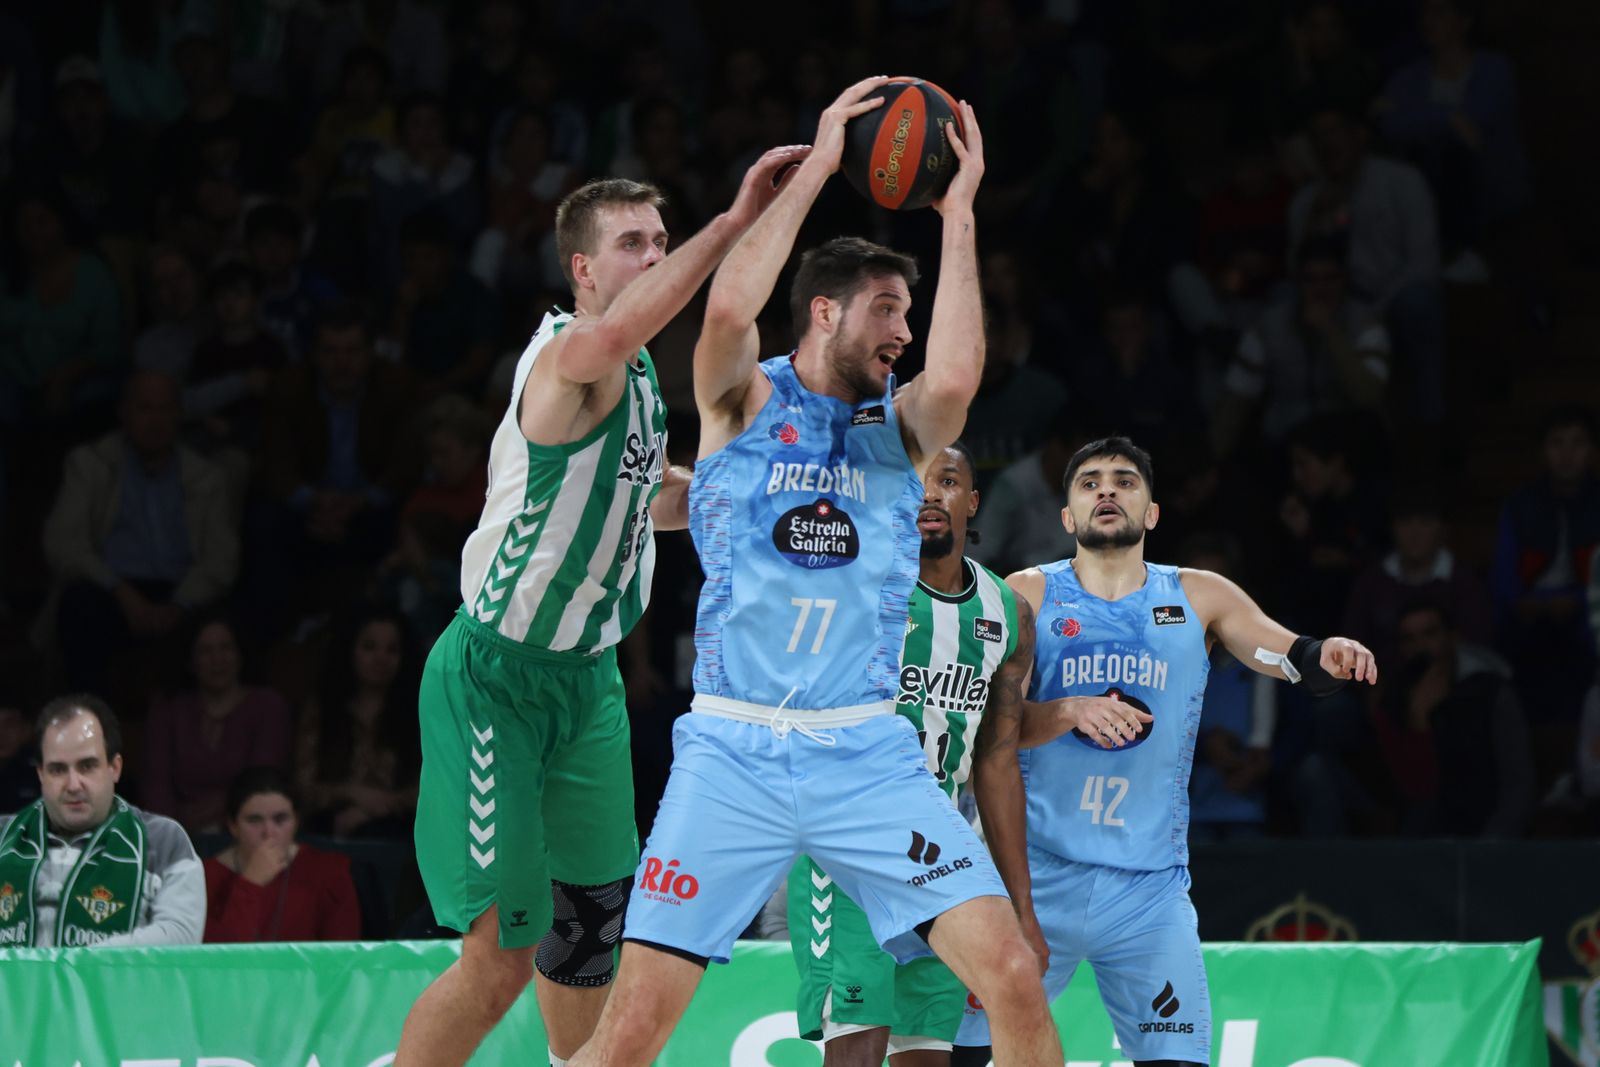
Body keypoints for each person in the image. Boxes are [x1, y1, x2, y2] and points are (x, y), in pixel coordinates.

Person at [573, 82, 1063, 1067]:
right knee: (628, 1033)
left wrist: (959, 210)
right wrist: (823, 168)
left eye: (910, 310)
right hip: (732, 752)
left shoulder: (897, 436)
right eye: (886, 307)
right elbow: (726, 307)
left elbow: (958, 378)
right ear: (824, 310)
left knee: (1009, 976)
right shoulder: (741, 399)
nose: (903, 330)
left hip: (864, 758)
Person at [392, 141, 813, 1066]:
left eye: (662, 239)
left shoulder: (644, 388)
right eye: (634, 242)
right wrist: (735, 223)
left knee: (587, 942)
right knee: (501, 956)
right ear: (583, 269)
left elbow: (649, 496)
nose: (656, 256)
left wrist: (747, 503)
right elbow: (616, 336)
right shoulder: (567, 356)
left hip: (589, 688)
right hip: (496, 680)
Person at [955, 435, 1376, 1065]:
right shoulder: (1026, 595)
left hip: (1147, 887)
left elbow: (1288, 654)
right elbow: (982, 730)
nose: (1107, 490)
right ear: (1067, 517)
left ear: (1152, 513)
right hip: (1032, 875)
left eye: (1125, 481)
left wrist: (1328, 653)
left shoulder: (1200, 594)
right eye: (1089, 482)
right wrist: (1069, 710)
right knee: (960, 1056)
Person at [787, 442, 1035, 1066]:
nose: (929, 493)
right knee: (856, 1049)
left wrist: (1019, 908)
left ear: (971, 501)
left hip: (944, 858)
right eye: (914, 480)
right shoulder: (852, 583)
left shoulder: (1008, 612)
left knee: (926, 1056)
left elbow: (998, 762)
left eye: (947, 480)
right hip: (848, 848)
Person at [42, 370, 240, 695]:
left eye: (164, 408)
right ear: (124, 412)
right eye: (145, 408)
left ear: (179, 413)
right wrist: (123, 593)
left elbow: (222, 560)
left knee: (223, 621)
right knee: (79, 606)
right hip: (112, 589)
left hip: (182, 593)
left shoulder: (207, 478)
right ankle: (91, 729)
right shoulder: (90, 464)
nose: (155, 420)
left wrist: (180, 603)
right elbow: (62, 543)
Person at [0, 695, 205, 947]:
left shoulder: (163, 839)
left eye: (87, 766)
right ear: (41, 774)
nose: (73, 785)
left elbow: (180, 937)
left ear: (114, 768)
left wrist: (73, 966)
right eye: (58, 770)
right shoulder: (4, 836)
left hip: (115, 987)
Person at [1373, 602, 1533, 837]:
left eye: (1430, 633)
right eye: (1409, 639)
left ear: (1453, 636)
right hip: (1424, 841)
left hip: (1487, 834)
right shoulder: (1392, 705)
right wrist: (1419, 723)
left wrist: (1491, 845)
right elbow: (1414, 793)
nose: (1421, 647)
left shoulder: (1490, 693)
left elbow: (1518, 782)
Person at [143, 614, 293, 834]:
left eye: (226, 648)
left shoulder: (267, 706)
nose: (217, 659)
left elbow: (264, 780)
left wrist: (222, 814)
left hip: (247, 831)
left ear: (240, 654)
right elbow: (156, 783)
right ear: (191, 661)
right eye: (205, 651)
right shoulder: (169, 708)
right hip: (178, 834)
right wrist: (172, 828)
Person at [296, 607, 420, 838]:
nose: (381, 658)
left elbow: (432, 787)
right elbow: (303, 789)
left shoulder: (418, 712)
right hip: (327, 829)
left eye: (392, 650)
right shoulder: (322, 710)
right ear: (350, 650)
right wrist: (352, 794)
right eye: (369, 647)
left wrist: (375, 809)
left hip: (400, 834)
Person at [203, 766, 362, 942]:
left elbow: (342, 958)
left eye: (280, 819)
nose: (269, 832)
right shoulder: (205, 877)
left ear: (296, 822)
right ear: (232, 825)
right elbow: (218, 958)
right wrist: (249, 883)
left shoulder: (329, 872)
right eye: (254, 820)